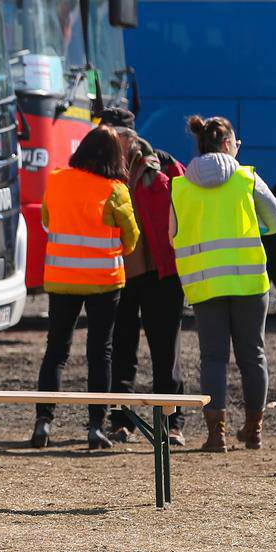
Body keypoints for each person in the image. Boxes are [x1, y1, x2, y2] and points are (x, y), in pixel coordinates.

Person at [171, 114, 276, 453]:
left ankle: (215, 434)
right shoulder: (246, 178)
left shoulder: (180, 185)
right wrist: (254, 229)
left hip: (205, 284)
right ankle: (254, 430)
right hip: (249, 281)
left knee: (213, 358)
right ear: (227, 145)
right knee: (253, 355)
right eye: (236, 142)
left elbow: (171, 234)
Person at [31, 125, 140, 451]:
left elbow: (47, 221)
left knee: (56, 351)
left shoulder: (57, 179)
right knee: (100, 353)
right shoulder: (115, 190)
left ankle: (43, 421)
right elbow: (132, 238)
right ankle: (96, 426)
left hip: (62, 279)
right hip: (103, 281)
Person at [109, 133, 188, 447]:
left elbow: (184, 206)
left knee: (165, 351)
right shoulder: (102, 170)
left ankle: (172, 422)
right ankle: (121, 420)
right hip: (120, 272)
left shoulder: (165, 166)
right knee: (122, 350)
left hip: (161, 272)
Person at [96, 106, 183, 178]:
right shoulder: (89, 167)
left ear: (131, 138)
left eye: (115, 134)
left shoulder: (163, 165)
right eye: (103, 134)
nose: (107, 139)